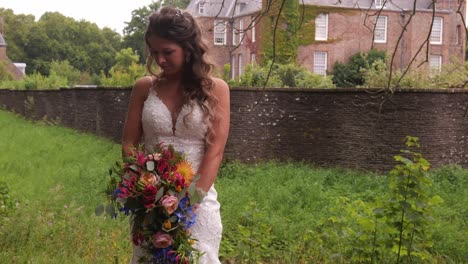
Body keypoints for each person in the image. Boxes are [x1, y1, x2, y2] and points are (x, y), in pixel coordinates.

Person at [121, 6, 230, 264]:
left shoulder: (217, 90)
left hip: (197, 203)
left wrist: (188, 204)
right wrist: (145, 187)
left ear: (188, 48)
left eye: (167, 52)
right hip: (149, 204)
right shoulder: (143, 88)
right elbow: (128, 143)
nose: (159, 59)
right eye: (154, 52)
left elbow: (215, 152)